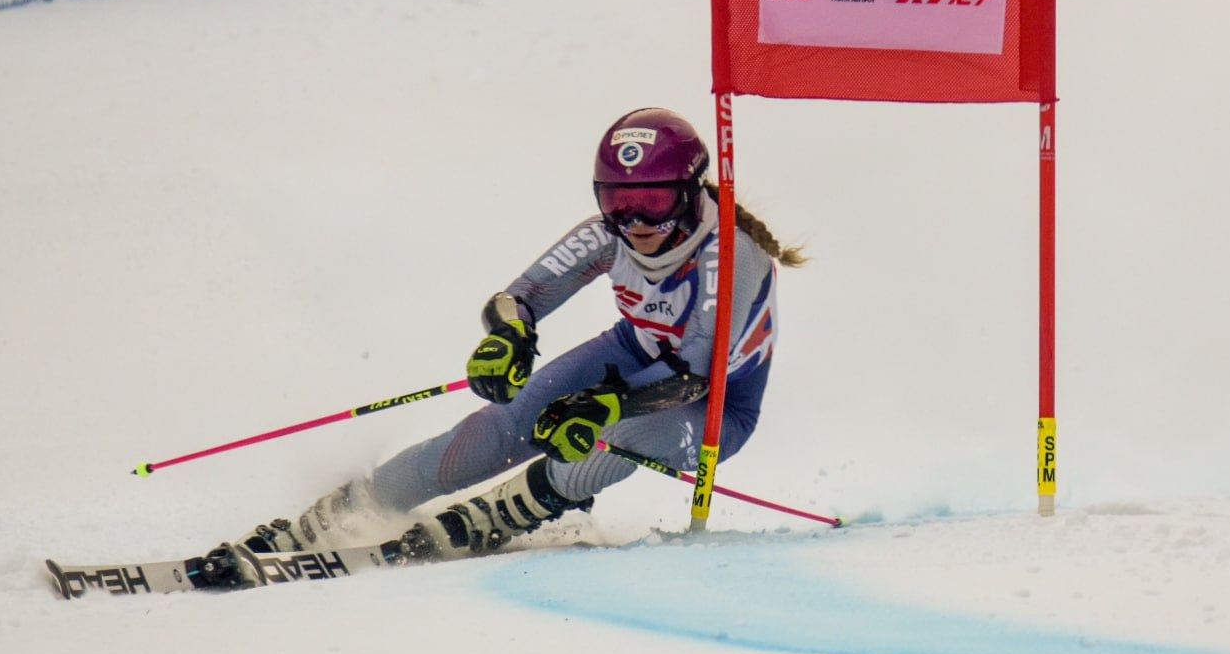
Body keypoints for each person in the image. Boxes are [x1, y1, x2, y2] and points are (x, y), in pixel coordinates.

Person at [204, 107, 805, 583]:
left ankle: (503, 512)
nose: (634, 222)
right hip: (632, 355)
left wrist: (607, 404)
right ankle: (339, 515)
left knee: (608, 442)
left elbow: (696, 374)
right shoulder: (608, 236)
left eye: (653, 202)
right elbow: (519, 297)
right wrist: (511, 335)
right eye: (617, 202)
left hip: (713, 406)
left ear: (692, 191)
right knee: (495, 429)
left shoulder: (730, 256)